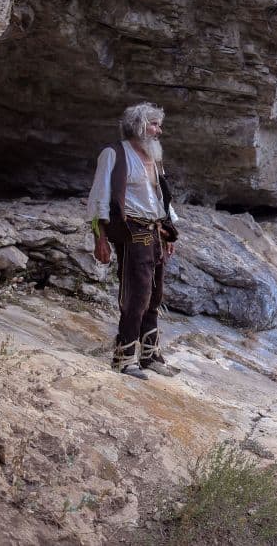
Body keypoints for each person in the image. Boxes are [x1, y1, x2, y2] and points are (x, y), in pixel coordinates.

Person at [87, 102, 179, 379]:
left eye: (159, 125)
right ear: (138, 126)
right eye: (154, 125)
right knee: (136, 294)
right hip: (133, 232)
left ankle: (150, 356)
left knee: (155, 294)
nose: (159, 131)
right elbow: (99, 197)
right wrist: (100, 238)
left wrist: (169, 229)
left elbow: (161, 196)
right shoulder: (114, 154)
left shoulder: (154, 157)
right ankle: (124, 358)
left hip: (155, 232)